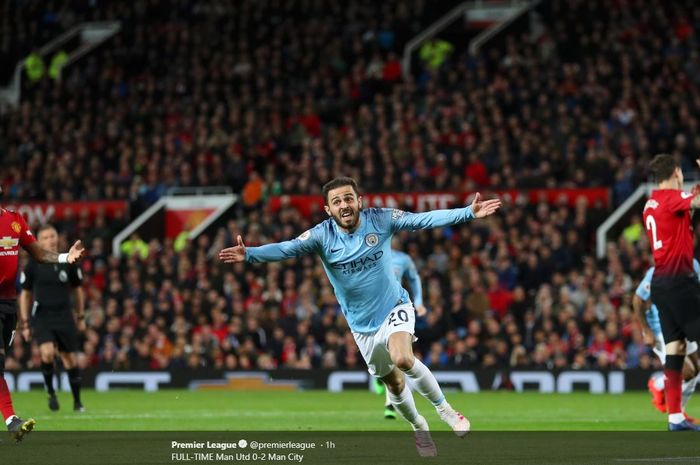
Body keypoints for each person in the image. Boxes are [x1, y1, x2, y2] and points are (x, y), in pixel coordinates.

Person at [219, 177, 501, 456]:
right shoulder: (321, 235)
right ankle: (419, 427)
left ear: (359, 201)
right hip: (362, 327)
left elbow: (421, 219)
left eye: (348, 198)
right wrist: (251, 254)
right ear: (328, 209)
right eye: (337, 201)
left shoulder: (380, 219)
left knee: (403, 358)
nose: (344, 204)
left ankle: (447, 412)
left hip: (395, 307)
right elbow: (287, 248)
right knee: (395, 383)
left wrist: (467, 212)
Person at [0, 186, 85, 442]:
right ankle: (12, 420)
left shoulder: (14, 220)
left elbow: (37, 253)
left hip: (7, 304)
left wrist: (63, 257)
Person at [642, 154, 700, 431]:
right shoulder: (671, 198)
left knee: (675, 350)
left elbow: (682, 216)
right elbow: (692, 202)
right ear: (676, 171)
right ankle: (675, 416)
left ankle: (675, 417)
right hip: (680, 283)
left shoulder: (651, 204)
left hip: (660, 284)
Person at [19, 224, 86, 412]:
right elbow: (25, 294)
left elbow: (78, 290)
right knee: (47, 353)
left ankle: (77, 401)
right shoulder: (34, 263)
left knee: (70, 360)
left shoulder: (69, 260)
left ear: (58, 237)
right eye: (46, 237)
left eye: (52, 236)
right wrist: (25, 323)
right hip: (42, 316)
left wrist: (80, 317)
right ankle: (50, 392)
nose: (50, 240)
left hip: (64, 316)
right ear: (39, 241)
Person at [633, 261, 700, 421]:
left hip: (683, 324)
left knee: (696, 371)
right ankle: (659, 385)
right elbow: (637, 300)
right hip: (660, 329)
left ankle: (679, 412)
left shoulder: (694, 265)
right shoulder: (657, 271)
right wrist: (646, 331)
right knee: (687, 372)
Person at [376, 239, 426, 420]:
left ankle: (389, 403)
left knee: (397, 356)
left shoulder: (403, 259)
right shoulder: (371, 254)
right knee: (378, 354)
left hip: (395, 308)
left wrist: (419, 302)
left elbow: (414, 278)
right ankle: (380, 377)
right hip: (373, 309)